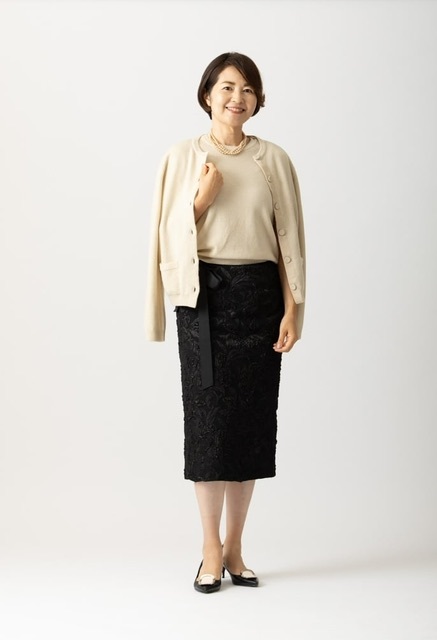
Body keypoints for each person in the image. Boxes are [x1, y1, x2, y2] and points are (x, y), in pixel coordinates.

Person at [145, 52, 305, 593]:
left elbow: (289, 241)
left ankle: (236, 546)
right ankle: (209, 548)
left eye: (248, 89)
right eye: (228, 87)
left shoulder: (274, 159)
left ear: (258, 100)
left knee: (251, 427)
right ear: (207, 94)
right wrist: (200, 202)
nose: (238, 98)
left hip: (260, 300)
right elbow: (163, 238)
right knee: (209, 428)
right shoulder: (182, 157)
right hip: (204, 303)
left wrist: (293, 308)